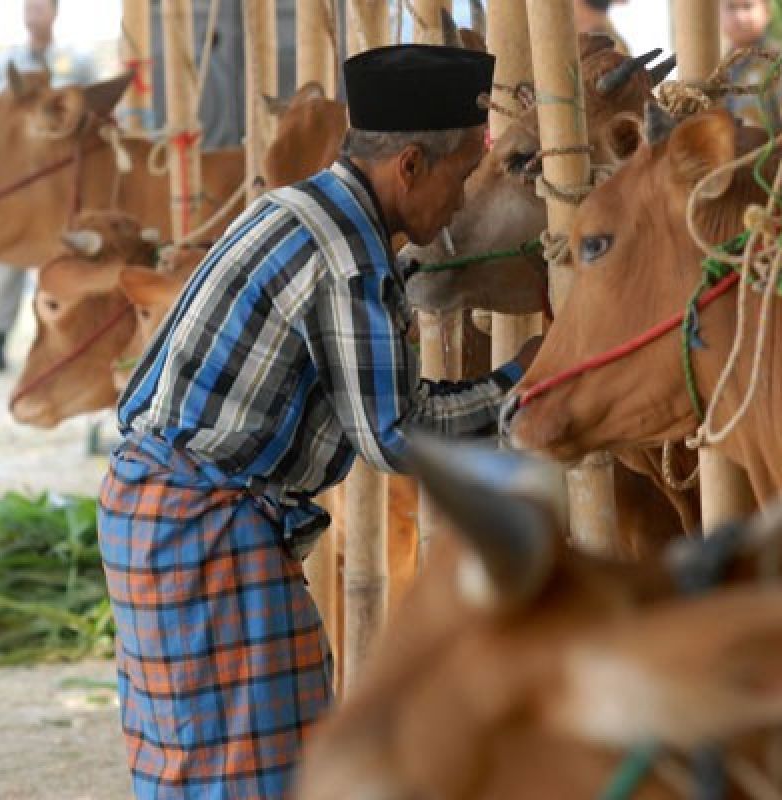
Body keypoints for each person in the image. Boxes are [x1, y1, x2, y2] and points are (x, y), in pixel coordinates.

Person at [98, 44, 540, 798]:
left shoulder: (291, 207)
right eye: (464, 175)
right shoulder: (347, 257)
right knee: (253, 777)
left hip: (155, 510)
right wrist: (526, 380)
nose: (464, 202)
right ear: (409, 166)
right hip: (207, 529)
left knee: (199, 765)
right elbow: (393, 435)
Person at [0, 0, 96, 376]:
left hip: (63, 182)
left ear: (55, 11)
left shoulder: (77, 61)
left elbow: (94, 112)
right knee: (7, 260)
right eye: (29, 6)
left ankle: (68, 349)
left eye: (40, 6)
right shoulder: (4, 66)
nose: (33, 13)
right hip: (19, 183)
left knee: (65, 262)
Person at [720, 0, 782, 134]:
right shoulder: (716, 69)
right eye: (731, 7)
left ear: (767, 12)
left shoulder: (780, 61)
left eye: (747, 6)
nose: (739, 17)